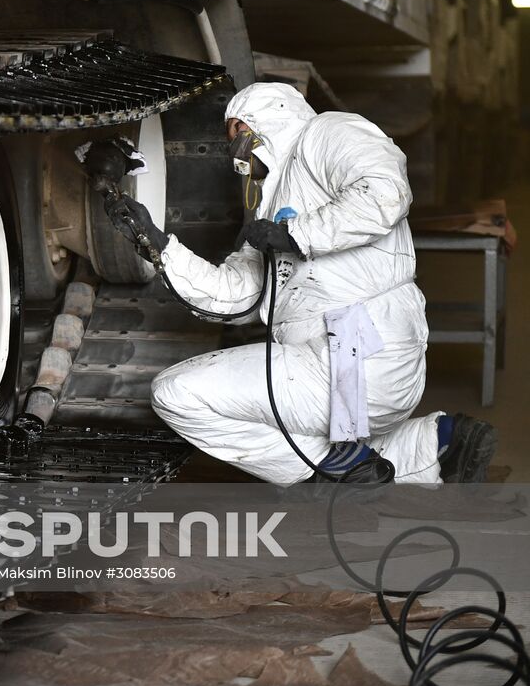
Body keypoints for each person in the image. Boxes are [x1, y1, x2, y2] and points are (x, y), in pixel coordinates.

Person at [108, 82, 496, 485]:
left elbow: (384, 192)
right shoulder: (268, 203)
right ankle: (436, 443)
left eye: (236, 132)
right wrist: (160, 247)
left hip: (358, 349)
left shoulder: (326, 134)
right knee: (340, 441)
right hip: (349, 366)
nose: (233, 149)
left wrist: (298, 234)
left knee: (175, 394)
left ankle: (333, 471)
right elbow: (235, 296)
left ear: (265, 119)